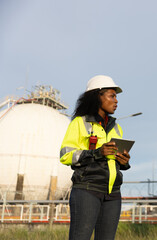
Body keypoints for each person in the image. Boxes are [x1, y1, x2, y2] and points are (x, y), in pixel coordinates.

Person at [60, 75, 130, 240]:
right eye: (112, 96)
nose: (116, 101)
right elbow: (65, 155)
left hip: (113, 193)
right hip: (87, 190)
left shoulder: (116, 127)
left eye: (116, 97)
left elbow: (114, 161)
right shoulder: (79, 123)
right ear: (97, 96)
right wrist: (96, 153)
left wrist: (124, 162)